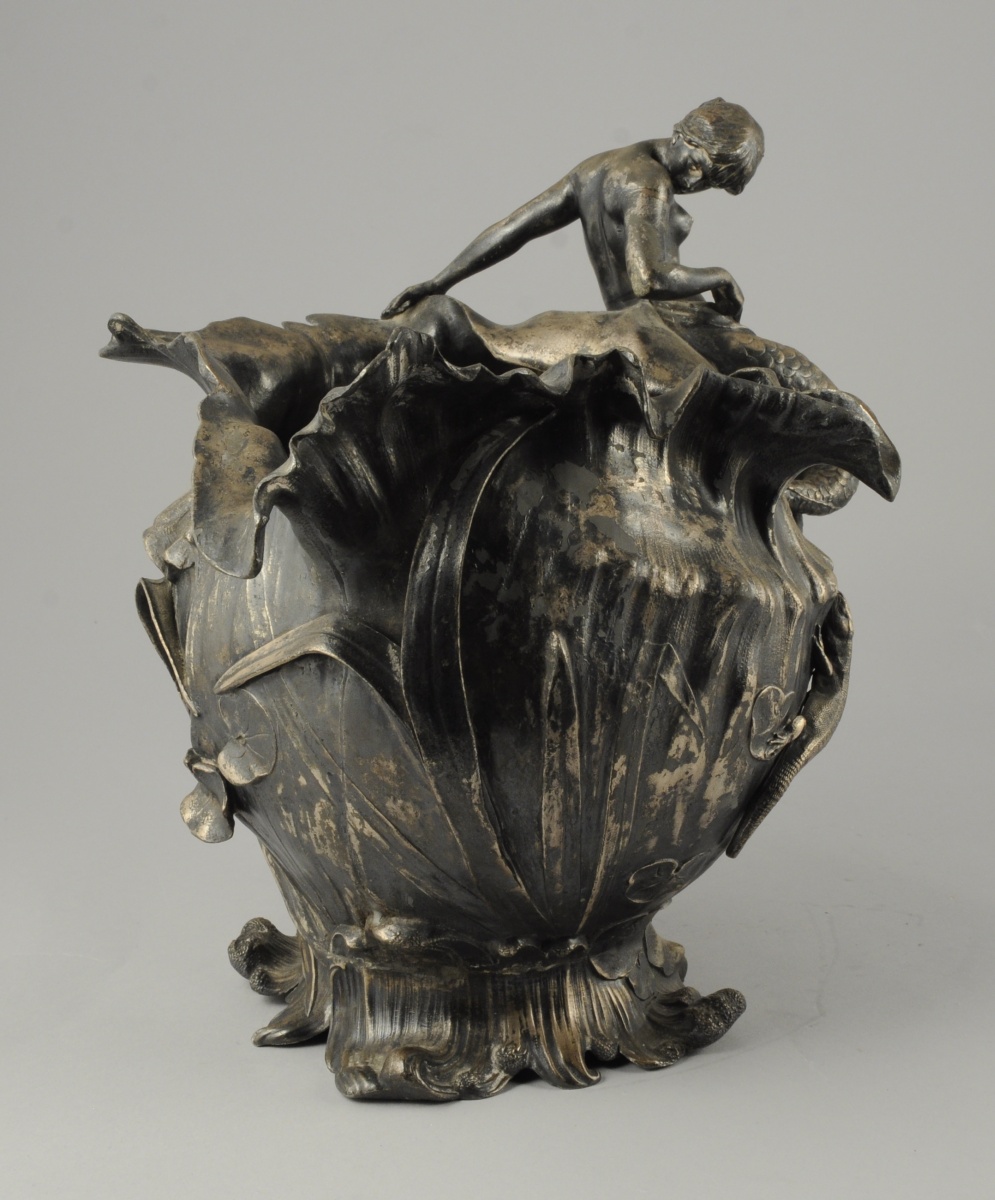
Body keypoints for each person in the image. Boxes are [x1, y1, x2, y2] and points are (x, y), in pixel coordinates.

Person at [103, 98, 853, 518]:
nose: (701, 187)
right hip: (655, 331)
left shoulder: (603, 166)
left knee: (456, 330)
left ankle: (235, 355)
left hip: (627, 324)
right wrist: (716, 277)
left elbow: (513, 227)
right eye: (711, 177)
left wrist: (438, 278)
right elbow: (650, 277)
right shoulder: (650, 183)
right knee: (756, 408)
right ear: (698, 152)